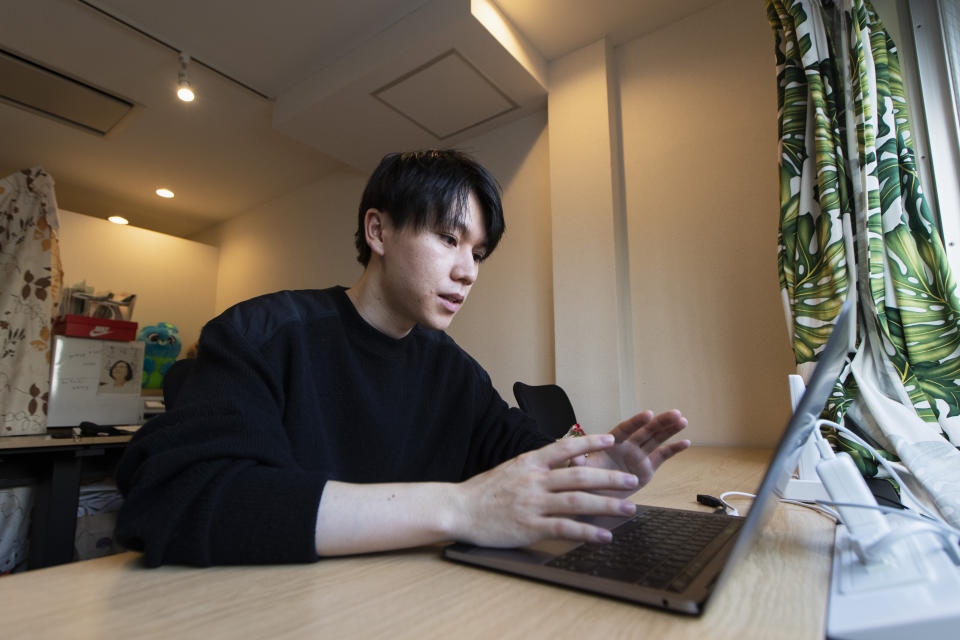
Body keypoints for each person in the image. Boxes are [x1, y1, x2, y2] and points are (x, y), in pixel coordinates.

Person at [114, 150, 690, 566]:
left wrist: (590, 477)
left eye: (479, 252)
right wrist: (459, 507)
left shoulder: (455, 372)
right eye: (448, 238)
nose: (468, 271)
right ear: (379, 232)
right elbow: (178, 498)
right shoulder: (262, 333)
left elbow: (518, 453)